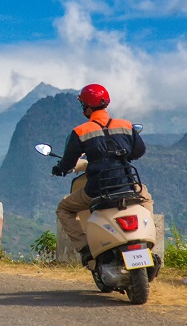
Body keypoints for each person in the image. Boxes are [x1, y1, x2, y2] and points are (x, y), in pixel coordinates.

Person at [53, 84, 154, 266]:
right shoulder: (125, 126)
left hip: (97, 189)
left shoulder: (81, 132)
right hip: (127, 184)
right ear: (106, 103)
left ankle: (85, 249)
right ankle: (147, 239)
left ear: (86, 107)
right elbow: (139, 151)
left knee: (64, 208)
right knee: (145, 198)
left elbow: (68, 162)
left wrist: (59, 169)